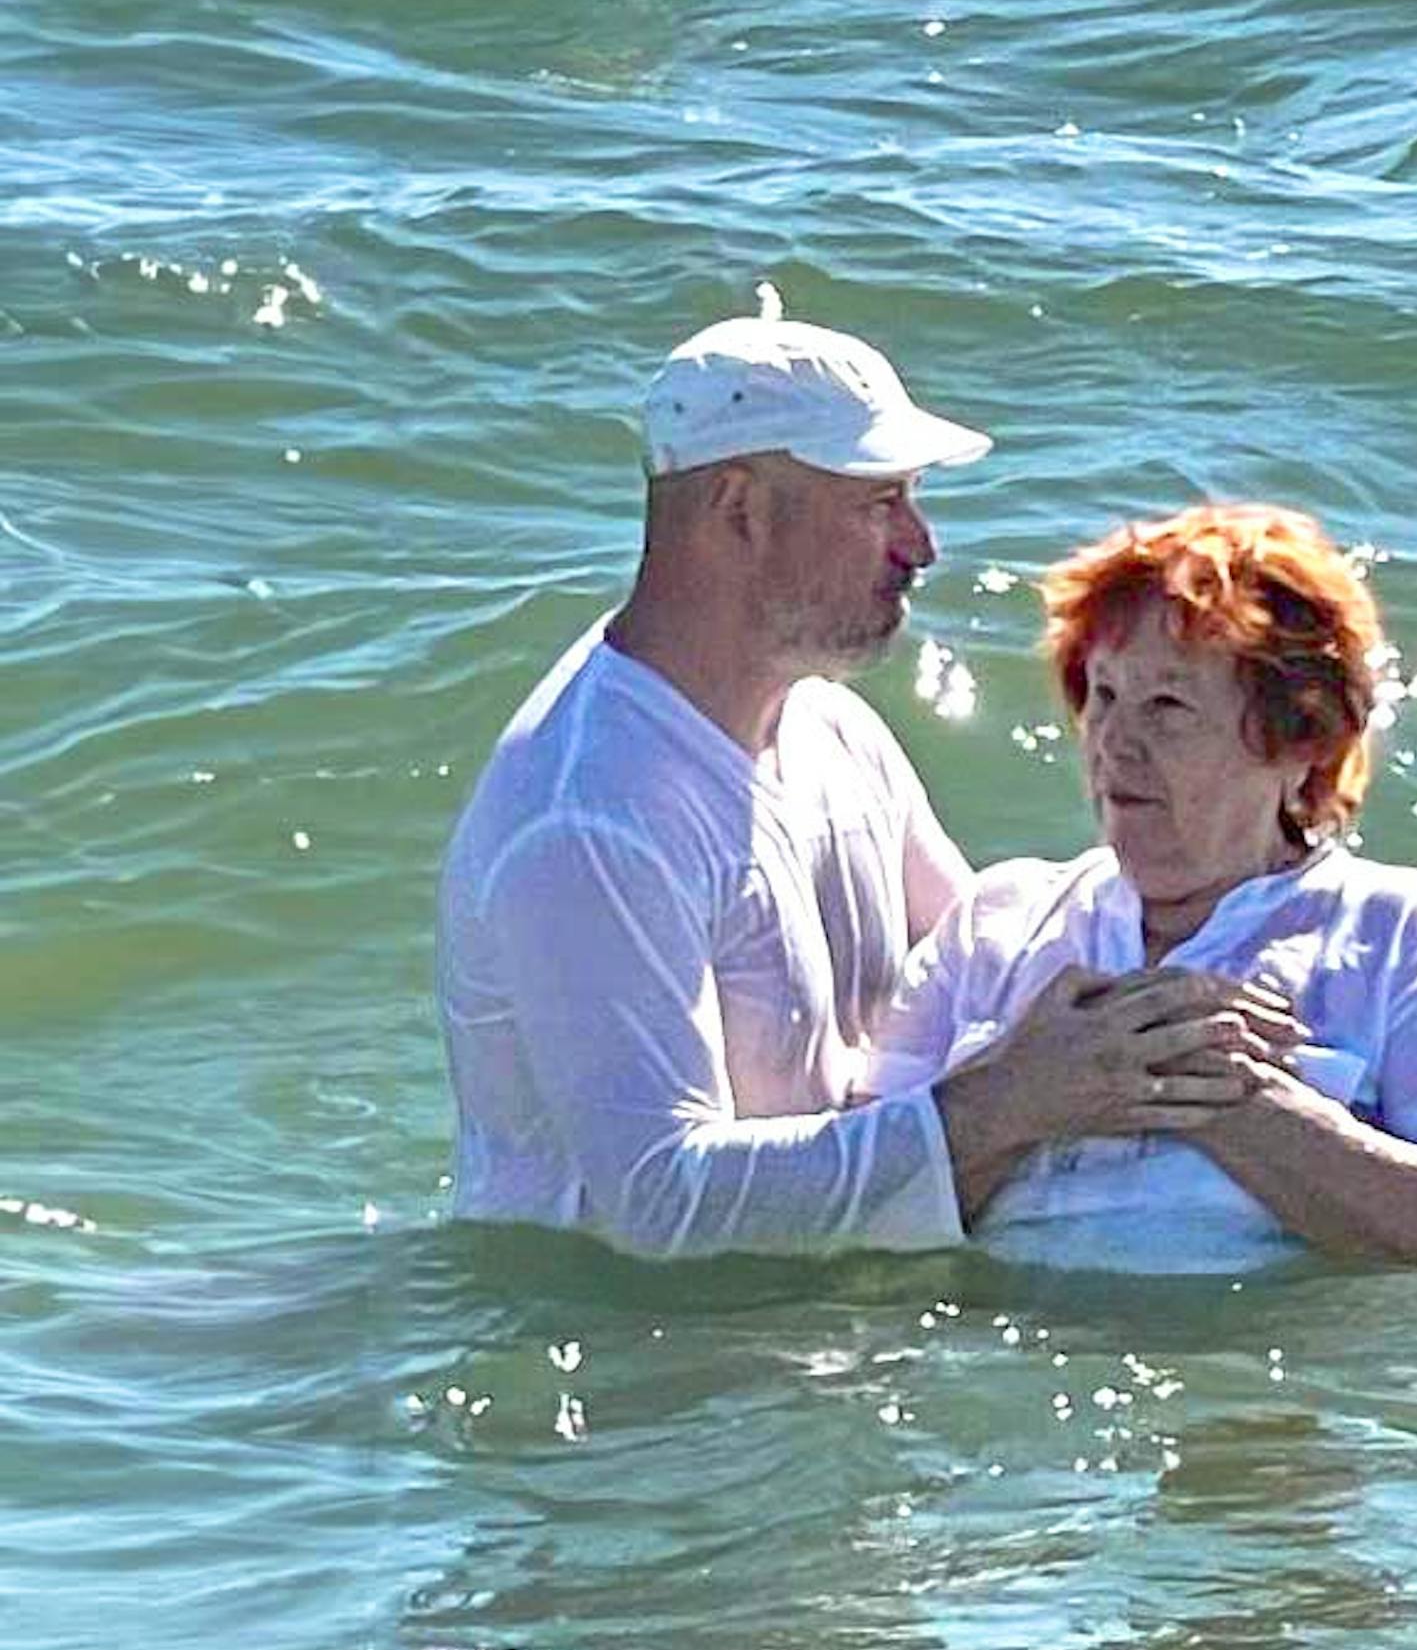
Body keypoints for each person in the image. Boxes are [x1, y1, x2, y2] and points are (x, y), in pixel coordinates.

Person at [437, 311, 1289, 1259]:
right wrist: (1010, 1101)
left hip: (830, 1322)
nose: (921, 546)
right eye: (880, 502)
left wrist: (1206, 1003)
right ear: (739, 510)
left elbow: (991, 967)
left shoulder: (829, 725)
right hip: (639, 1377)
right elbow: (658, 1202)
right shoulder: (590, 814)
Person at [863, 503, 1417, 1272]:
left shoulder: (1391, 930)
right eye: (1103, 698)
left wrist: (1228, 1095)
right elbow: (850, 1206)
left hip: (1256, 1379)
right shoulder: (999, 923)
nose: (1114, 743)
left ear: (1301, 742)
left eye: (1168, 707)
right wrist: (1025, 1095)